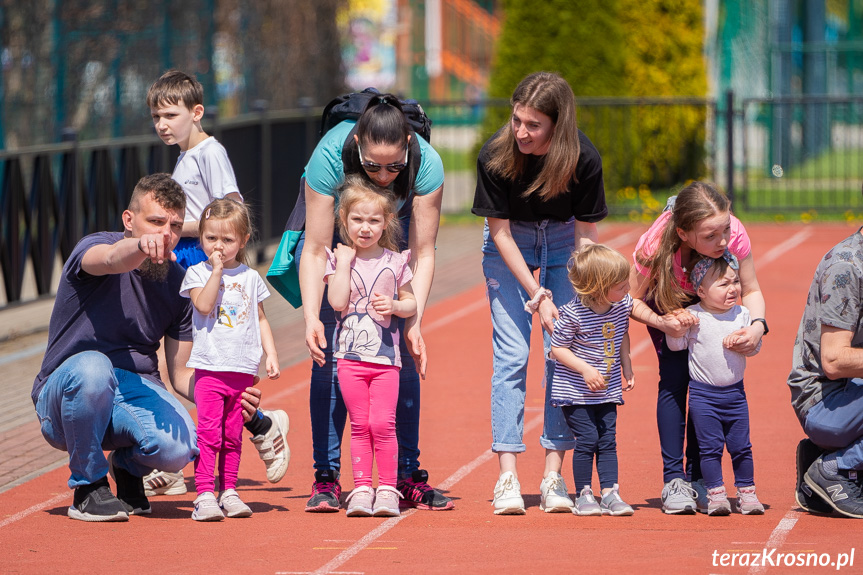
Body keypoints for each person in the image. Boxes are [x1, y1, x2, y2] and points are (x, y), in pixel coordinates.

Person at [31, 174, 259, 522]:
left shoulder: (180, 284)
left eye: (174, 225)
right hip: (67, 395)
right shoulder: (95, 246)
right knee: (94, 368)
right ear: (129, 220)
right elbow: (110, 259)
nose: (165, 233)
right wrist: (138, 247)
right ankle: (88, 487)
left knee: (182, 446)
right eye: (155, 222)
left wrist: (228, 393)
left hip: (134, 389)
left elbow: (182, 374)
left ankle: (126, 466)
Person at [297, 93, 452, 512]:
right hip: (339, 238)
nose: (384, 175)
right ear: (358, 146)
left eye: (394, 166)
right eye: (373, 166)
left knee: (399, 351)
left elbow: (423, 253)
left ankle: (405, 474)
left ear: (407, 144)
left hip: (390, 234)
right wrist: (313, 316)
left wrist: (413, 318)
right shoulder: (331, 153)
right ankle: (326, 477)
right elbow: (313, 247)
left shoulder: (427, 163)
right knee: (330, 355)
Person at [471, 71, 608, 515]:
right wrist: (539, 294)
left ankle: (553, 475)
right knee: (511, 356)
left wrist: (585, 287)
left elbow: (586, 235)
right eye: (516, 120)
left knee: (561, 354)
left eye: (533, 125)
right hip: (511, 248)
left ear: (557, 125)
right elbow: (502, 235)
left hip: (565, 245)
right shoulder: (496, 155)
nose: (521, 132)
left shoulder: (584, 158)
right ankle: (507, 475)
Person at [147, 70, 289, 493]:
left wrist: (176, 228)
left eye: (170, 114)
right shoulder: (185, 154)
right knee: (176, 371)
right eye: (156, 116)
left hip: (205, 266)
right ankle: (253, 424)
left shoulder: (210, 152)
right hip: (186, 263)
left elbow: (229, 209)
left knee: (196, 366)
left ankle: (189, 456)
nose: (162, 124)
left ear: (197, 112)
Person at [630, 181, 766, 514]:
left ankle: (699, 477)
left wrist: (757, 328)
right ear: (683, 233)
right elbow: (626, 300)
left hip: (714, 290)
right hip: (667, 298)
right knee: (676, 377)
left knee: (712, 375)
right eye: (710, 235)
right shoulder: (654, 246)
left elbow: (751, 289)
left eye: (725, 229)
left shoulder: (733, 235)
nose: (722, 241)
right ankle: (674, 479)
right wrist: (663, 322)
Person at [180, 199, 281, 521]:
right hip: (210, 367)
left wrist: (272, 353)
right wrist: (217, 271)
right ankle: (205, 493)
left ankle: (230, 490)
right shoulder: (197, 272)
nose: (218, 246)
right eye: (211, 238)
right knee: (208, 433)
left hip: (242, 369)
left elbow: (261, 318)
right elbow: (205, 306)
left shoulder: (251, 277)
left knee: (232, 435)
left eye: (227, 240)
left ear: (244, 240)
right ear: (201, 238)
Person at [324, 176, 417, 517]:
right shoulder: (337, 261)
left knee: (384, 424)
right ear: (344, 221)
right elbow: (336, 301)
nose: (365, 228)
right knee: (360, 424)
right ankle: (362, 488)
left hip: (386, 361)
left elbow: (411, 304)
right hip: (349, 360)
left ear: (387, 222)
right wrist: (345, 262)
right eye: (357, 220)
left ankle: (388, 489)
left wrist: (394, 307)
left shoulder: (395, 262)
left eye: (374, 220)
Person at [666, 253, 764, 516]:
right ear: (701, 291)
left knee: (741, 447)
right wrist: (675, 325)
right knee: (709, 449)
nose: (732, 288)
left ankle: (747, 493)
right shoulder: (693, 315)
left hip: (735, 396)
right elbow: (676, 345)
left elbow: (755, 347)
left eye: (734, 282)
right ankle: (716, 494)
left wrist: (748, 344)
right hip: (703, 396)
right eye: (722, 284)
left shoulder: (742, 314)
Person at [549, 244, 635, 517]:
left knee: (608, 440)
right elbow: (557, 349)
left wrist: (627, 365)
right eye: (621, 286)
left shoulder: (620, 305)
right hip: (576, 392)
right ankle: (584, 493)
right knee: (587, 438)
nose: (628, 290)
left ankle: (610, 493)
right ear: (598, 288)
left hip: (607, 389)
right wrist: (585, 369)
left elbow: (622, 333)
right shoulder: (572, 314)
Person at [788, 223, 863, 519]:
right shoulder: (847, 266)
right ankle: (835, 467)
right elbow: (834, 361)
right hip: (824, 400)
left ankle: (825, 459)